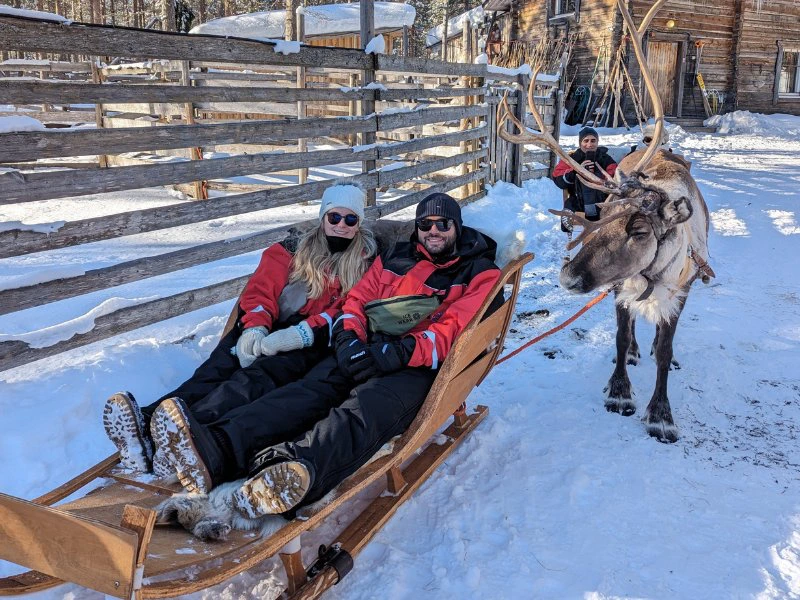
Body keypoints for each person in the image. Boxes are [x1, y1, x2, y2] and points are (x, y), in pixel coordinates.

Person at [148, 193, 503, 515]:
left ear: (457, 226)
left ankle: (293, 473)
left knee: (363, 411)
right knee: (302, 394)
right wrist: (349, 337)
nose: (433, 231)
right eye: (425, 224)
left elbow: (457, 326)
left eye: (443, 224)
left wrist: (400, 352)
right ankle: (220, 447)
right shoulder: (398, 256)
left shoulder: (480, 271)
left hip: (417, 366)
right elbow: (358, 299)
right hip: (366, 346)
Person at [102, 184, 378, 476]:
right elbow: (260, 290)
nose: (341, 226)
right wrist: (255, 328)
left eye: (350, 220)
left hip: (308, 339)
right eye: (334, 217)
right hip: (266, 323)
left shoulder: (364, 262)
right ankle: (147, 421)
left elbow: (350, 307)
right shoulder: (291, 250)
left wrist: (302, 334)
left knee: (252, 380)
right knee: (219, 367)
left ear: (359, 224)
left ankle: (184, 431)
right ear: (323, 217)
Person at [551, 126, 618, 233]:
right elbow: (558, 179)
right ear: (580, 143)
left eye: (593, 141)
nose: (590, 144)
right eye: (585, 141)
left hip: (601, 200)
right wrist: (576, 171)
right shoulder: (571, 159)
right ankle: (570, 217)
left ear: (597, 142)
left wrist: (596, 175)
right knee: (572, 201)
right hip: (578, 199)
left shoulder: (605, 158)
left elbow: (615, 176)